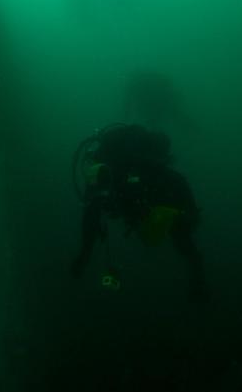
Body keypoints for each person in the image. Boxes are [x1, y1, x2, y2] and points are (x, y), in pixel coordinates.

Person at [70, 123, 208, 301]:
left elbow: (190, 216)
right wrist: (84, 254)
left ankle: (197, 276)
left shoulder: (168, 181)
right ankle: (197, 274)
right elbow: (93, 209)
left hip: (141, 200)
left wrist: (184, 218)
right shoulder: (115, 173)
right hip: (128, 197)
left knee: (180, 226)